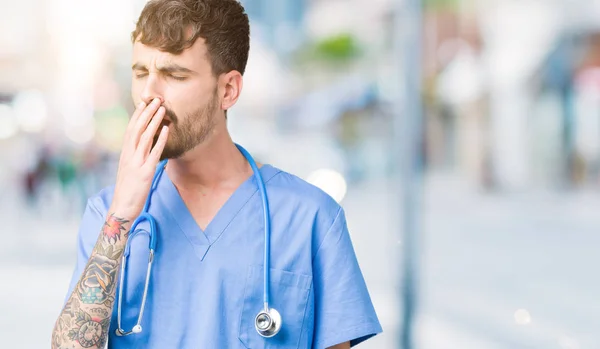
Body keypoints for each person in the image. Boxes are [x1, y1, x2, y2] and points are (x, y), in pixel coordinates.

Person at [51, 0, 382, 348]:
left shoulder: (311, 218)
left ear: (228, 90)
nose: (149, 95)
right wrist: (121, 215)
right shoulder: (107, 213)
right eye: (140, 73)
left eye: (174, 75)